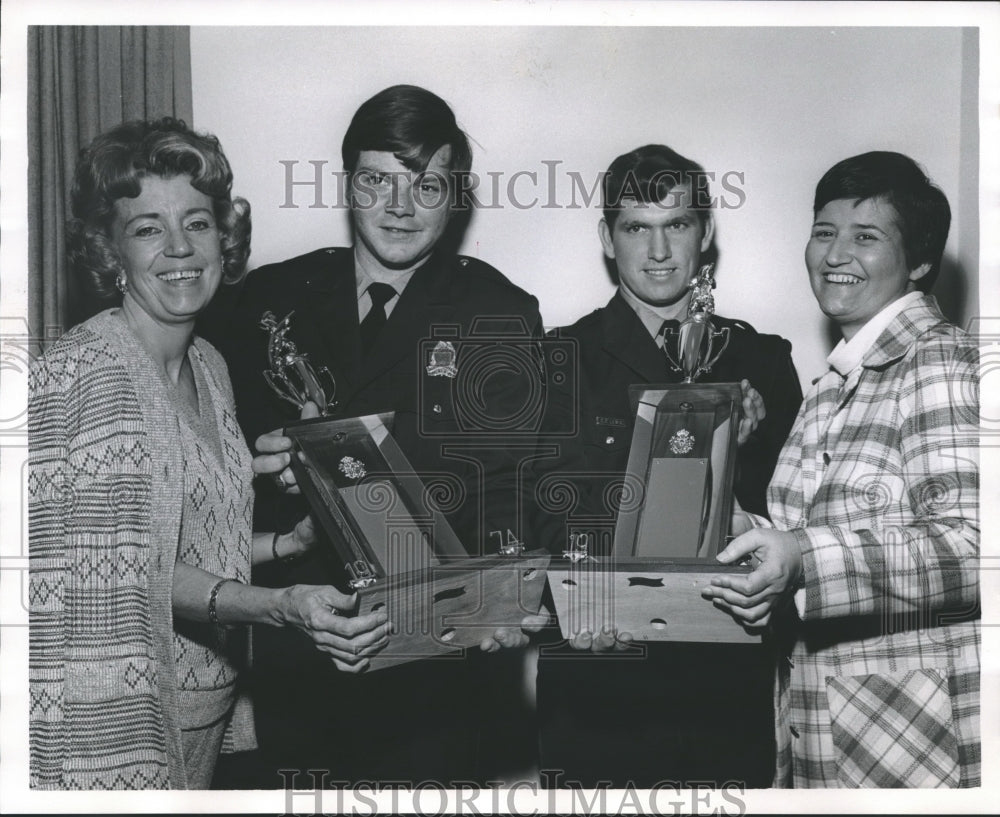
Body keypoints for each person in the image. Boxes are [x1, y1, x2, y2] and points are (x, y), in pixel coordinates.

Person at [28, 118, 389, 790]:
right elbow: (127, 572)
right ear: (109, 250)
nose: (178, 248)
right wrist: (278, 605)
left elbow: (186, 537)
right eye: (146, 228)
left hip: (202, 719)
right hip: (106, 730)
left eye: (196, 222)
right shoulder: (86, 372)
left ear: (225, 235)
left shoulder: (212, 365)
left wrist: (289, 542)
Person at [202, 85, 545, 785]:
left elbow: (511, 483)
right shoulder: (267, 298)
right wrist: (255, 467)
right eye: (376, 180)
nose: (399, 206)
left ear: (456, 197)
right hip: (296, 651)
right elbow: (198, 456)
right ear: (345, 185)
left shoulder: (499, 311)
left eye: (425, 185)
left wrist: (507, 594)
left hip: (437, 670)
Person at [704, 151, 980, 788]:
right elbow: (813, 530)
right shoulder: (836, 380)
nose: (834, 255)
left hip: (912, 747)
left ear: (918, 261)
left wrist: (801, 556)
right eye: (824, 233)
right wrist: (742, 528)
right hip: (830, 728)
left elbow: (974, 549)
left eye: (866, 237)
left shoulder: (939, 361)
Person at [532, 144, 803, 788]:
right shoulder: (557, 358)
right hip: (596, 690)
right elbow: (533, 510)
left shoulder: (761, 359)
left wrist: (742, 448)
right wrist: (576, 600)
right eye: (636, 228)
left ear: (705, 231)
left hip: (723, 692)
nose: (658, 252)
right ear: (607, 237)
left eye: (676, 224)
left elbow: (798, 522)